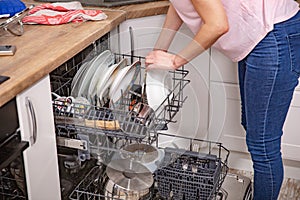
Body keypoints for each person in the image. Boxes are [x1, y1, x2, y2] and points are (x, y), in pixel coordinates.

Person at [145, 0, 300, 199]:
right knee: (254, 131)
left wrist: (176, 61)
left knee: (263, 145)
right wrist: (159, 51)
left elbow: (217, 25)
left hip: (275, 35)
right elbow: (178, 4)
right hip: (260, 35)